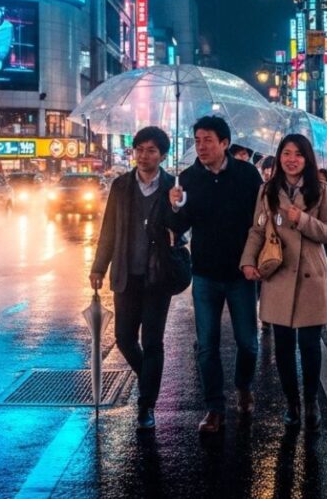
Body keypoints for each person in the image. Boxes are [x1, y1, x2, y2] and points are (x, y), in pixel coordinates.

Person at [168, 116, 263, 434]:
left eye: (208, 139)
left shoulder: (248, 175)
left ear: (224, 143)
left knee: (248, 343)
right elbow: (179, 228)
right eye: (197, 140)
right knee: (206, 345)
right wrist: (177, 206)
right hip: (205, 273)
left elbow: (260, 221)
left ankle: (243, 386)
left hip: (242, 273)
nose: (201, 146)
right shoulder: (187, 178)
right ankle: (214, 409)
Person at [240, 134, 327, 432]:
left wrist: (301, 219)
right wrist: (247, 261)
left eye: (297, 154)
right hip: (279, 274)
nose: (291, 159)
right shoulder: (267, 191)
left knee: (309, 345)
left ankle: (310, 402)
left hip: (310, 276)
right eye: (286, 153)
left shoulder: (321, 191)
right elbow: (257, 230)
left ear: (307, 159)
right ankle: (292, 403)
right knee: (282, 346)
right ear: (279, 157)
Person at [89, 126, 179, 430]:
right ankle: (149, 379)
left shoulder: (172, 186)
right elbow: (109, 230)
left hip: (158, 277)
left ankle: (146, 405)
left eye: (151, 150)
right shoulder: (121, 186)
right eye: (139, 149)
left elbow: (182, 230)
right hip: (126, 275)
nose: (143, 156)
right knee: (124, 338)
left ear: (163, 155)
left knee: (152, 341)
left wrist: (178, 209)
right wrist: (99, 267)